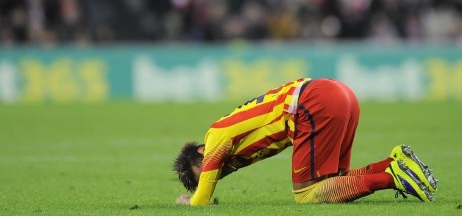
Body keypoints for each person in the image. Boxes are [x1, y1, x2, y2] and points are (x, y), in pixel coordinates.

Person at [173, 77, 438, 205]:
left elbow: (202, 200)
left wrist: (190, 200)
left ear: (201, 151)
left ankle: (393, 177)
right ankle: (395, 163)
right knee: (335, 180)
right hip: (337, 94)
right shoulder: (234, 149)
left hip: (313, 102)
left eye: (208, 169)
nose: (216, 172)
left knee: (305, 195)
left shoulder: (216, 136)